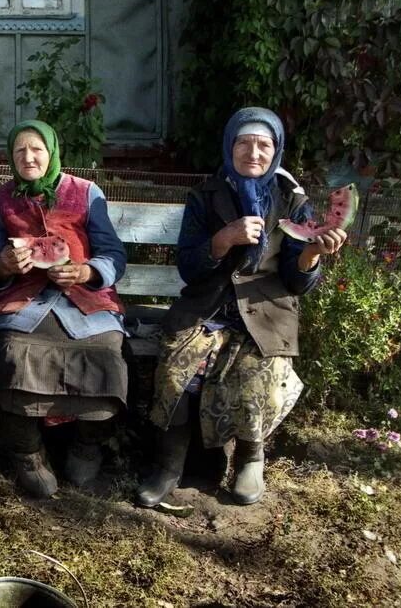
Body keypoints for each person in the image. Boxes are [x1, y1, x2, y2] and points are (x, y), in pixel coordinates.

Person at [136, 106, 347, 508]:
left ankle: (251, 458)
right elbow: (188, 267)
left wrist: (310, 256)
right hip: (209, 307)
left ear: (276, 150)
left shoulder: (291, 200)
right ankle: (169, 465)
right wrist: (223, 240)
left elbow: (296, 283)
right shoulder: (205, 195)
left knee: (258, 371)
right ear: (229, 146)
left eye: (263, 145)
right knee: (178, 368)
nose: (253, 153)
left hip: (265, 310)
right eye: (244, 143)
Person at [0, 120, 128, 498]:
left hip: (86, 298)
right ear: (11, 157)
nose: (28, 157)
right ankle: (27, 452)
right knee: (13, 352)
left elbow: (114, 254)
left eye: (37, 149)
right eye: (19, 151)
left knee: (105, 353)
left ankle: (87, 445)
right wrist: (4, 267)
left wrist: (86, 271)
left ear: (51, 152)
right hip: (26, 300)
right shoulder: (1, 199)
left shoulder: (86, 192)